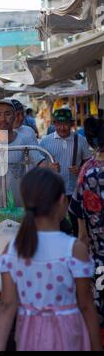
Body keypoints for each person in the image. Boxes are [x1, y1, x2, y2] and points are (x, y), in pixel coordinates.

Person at [0, 168, 101, 352]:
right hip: (69, 337)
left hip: (29, 337)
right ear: (62, 201)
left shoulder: (12, 250)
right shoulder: (74, 249)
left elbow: (6, 306)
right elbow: (86, 305)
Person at [0, 99, 46, 209]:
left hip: (21, 205)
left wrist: (51, 166)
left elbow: (40, 162)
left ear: (14, 116)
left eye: (7, 114)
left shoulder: (24, 140)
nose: (3, 119)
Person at [70, 117, 104, 339]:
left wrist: (83, 238)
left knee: (98, 304)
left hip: (98, 253)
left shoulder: (88, 170)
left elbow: (77, 210)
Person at [40, 108, 92, 236]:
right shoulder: (45, 141)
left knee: (78, 225)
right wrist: (48, 166)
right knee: (56, 226)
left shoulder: (81, 140)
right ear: (54, 123)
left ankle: (76, 249)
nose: (62, 127)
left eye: (66, 124)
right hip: (54, 191)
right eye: (59, 123)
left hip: (75, 190)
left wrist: (80, 169)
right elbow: (37, 167)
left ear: (72, 124)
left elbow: (89, 163)